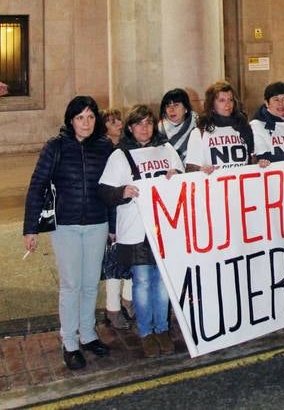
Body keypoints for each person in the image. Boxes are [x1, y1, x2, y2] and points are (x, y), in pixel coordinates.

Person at [23, 96, 113, 371]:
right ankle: (70, 342)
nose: (86, 123)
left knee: (89, 284)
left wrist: (114, 226)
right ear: (70, 120)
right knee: (71, 285)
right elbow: (37, 185)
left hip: (97, 223)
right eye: (80, 117)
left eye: (90, 117)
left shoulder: (105, 147)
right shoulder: (56, 146)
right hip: (66, 226)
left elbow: (112, 188)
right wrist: (30, 228)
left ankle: (87, 334)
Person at [99, 104, 183, 359]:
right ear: (130, 128)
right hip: (137, 230)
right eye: (138, 124)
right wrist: (121, 192)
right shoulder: (120, 155)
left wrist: (176, 174)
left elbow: (183, 181)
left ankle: (162, 329)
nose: (144, 128)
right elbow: (104, 191)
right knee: (143, 282)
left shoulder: (166, 149)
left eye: (148, 122)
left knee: (162, 283)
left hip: (165, 228)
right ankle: (146, 331)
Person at [100, 109, 133, 331]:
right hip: (113, 214)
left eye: (119, 120)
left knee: (131, 261)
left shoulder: (126, 147)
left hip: (128, 216)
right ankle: (112, 309)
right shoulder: (106, 151)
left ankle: (127, 301)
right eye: (112, 122)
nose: (118, 124)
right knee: (113, 266)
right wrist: (111, 226)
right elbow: (107, 191)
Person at [185, 80, 254, 172]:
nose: (227, 104)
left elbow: (252, 159)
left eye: (230, 100)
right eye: (222, 100)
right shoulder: (200, 132)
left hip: (241, 183)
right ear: (212, 104)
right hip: (214, 184)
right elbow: (191, 168)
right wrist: (201, 169)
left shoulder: (244, 127)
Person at [158, 88, 198, 165]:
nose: (171, 110)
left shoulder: (197, 121)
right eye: (168, 106)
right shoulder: (160, 129)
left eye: (176, 105)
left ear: (186, 108)